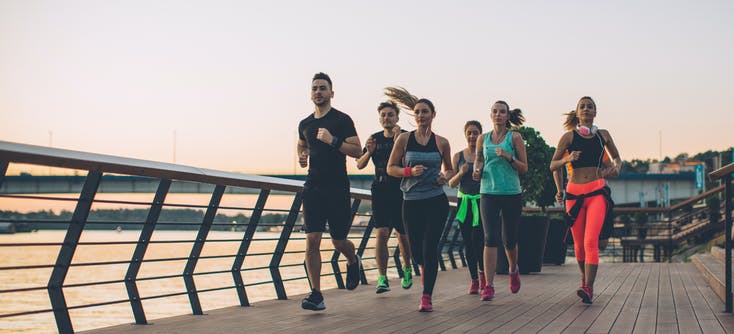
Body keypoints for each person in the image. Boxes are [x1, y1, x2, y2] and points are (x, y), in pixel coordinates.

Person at [296, 72, 363, 311]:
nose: (318, 92)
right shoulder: (305, 124)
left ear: (331, 93)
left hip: (337, 188)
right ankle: (316, 294)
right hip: (313, 187)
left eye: (323, 88)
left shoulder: (342, 120)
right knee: (312, 240)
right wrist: (301, 157)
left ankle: (353, 260)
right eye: (314, 88)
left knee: (338, 242)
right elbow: (301, 143)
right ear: (310, 93)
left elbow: (357, 150)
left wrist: (333, 141)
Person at [385, 87, 453, 312]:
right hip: (411, 201)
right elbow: (390, 168)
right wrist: (408, 172)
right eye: (417, 112)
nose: (421, 115)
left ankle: (427, 296)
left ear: (433, 115)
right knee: (416, 251)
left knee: (430, 247)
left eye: (425, 112)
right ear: (414, 116)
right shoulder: (404, 139)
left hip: (435, 201)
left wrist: (445, 177)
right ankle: (425, 271)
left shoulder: (441, 142)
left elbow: (450, 170)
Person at [550, 96, 621, 304]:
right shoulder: (568, 137)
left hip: (597, 192)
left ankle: (589, 288)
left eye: (590, 107)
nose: (586, 109)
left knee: (591, 241)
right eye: (583, 106)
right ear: (577, 112)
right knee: (579, 245)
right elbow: (553, 165)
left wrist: (616, 167)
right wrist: (567, 159)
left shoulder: (603, 135)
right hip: (574, 195)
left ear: (595, 112)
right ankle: (585, 280)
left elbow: (617, 158)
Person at [356, 101, 413, 293]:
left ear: (397, 117)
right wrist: (369, 152)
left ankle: (406, 268)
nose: (386, 118)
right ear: (380, 118)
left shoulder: (405, 137)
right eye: (383, 115)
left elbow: (409, 162)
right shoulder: (374, 138)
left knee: (402, 235)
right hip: (380, 190)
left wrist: (399, 141)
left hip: (401, 190)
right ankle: (382, 278)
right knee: (381, 233)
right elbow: (360, 165)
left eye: (390, 114)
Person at [472, 100, 527, 301]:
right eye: (495, 111)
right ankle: (489, 285)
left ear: (507, 116)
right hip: (488, 193)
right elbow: (478, 159)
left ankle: (513, 269)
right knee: (490, 238)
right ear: (491, 114)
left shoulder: (515, 138)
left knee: (509, 240)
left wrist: (507, 156)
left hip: (511, 193)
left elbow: (524, 168)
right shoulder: (483, 139)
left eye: (502, 112)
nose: (498, 115)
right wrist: (476, 170)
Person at [448, 120, 486, 295]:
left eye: (475, 132)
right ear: (465, 135)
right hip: (464, 202)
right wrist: (462, 173)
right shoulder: (458, 157)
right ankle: (474, 279)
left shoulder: (485, 155)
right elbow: (451, 183)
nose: (472, 136)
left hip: (480, 202)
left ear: (481, 135)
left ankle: (483, 275)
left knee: (479, 241)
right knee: (468, 243)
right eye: (469, 133)